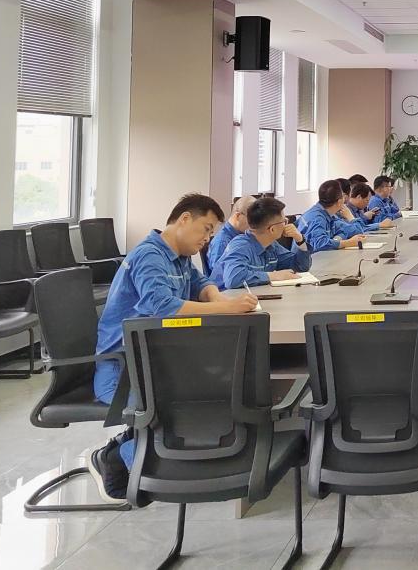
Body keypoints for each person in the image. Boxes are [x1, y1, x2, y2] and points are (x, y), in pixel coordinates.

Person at [88, 194, 258, 501]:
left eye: (211, 233)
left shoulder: (179, 256)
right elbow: (163, 306)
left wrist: (218, 298)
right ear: (184, 219)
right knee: (179, 410)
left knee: (209, 395)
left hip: (157, 364)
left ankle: (134, 447)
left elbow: (201, 283)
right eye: (206, 229)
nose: (207, 239)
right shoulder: (149, 256)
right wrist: (227, 308)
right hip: (123, 370)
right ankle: (115, 457)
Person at [208, 196, 313, 290]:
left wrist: (300, 240)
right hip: (225, 300)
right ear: (272, 229)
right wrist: (273, 276)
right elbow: (233, 279)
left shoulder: (271, 245)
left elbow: (300, 267)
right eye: (284, 221)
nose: (286, 225)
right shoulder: (240, 245)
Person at [298, 179, 368, 250]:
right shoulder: (317, 218)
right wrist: (348, 242)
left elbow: (357, 231)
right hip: (312, 256)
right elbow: (320, 243)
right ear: (339, 202)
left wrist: (339, 236)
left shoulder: (330, 215)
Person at [203, 195, 253, 274]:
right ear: (238, 216)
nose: (255, 224)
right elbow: (219, 275)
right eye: (252, 219)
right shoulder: (222, 242)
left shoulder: (246, 237)